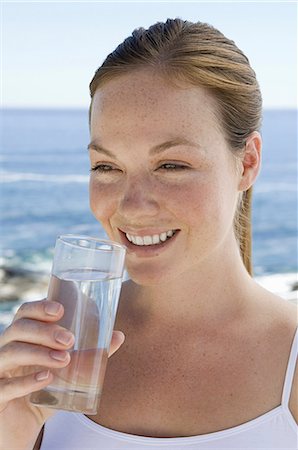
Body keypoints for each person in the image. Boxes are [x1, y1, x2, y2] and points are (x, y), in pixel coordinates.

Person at [0, 18, 297, 450]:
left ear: (247, 162)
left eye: (171, 165)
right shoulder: (51, 366)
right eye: (107, 166)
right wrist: (12, 434)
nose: (132, 206)